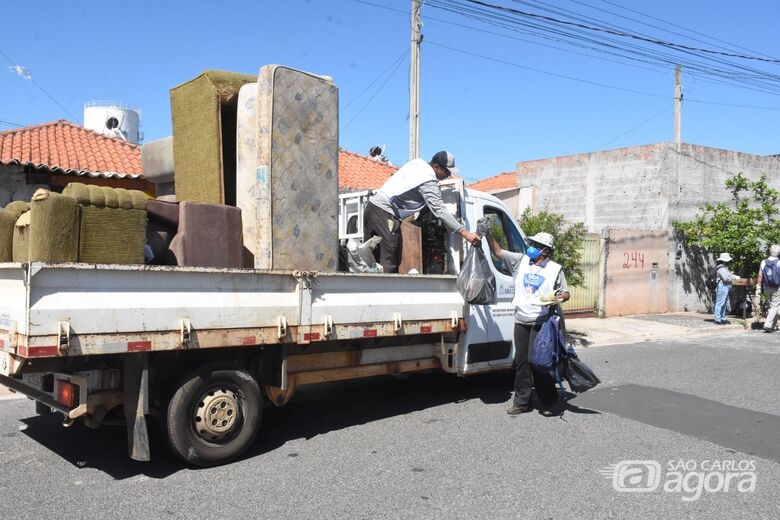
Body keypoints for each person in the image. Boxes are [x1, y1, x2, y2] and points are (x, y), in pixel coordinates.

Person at [485, 230, 571, 417]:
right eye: (532, 244)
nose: (532, 248)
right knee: (522, 362)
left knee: (537, 363)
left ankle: (549, 400)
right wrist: (487, 233)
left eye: (537, 246)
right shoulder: (520, 261)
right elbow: (498, 252)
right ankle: (522, 402)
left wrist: (556, 297)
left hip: (541, 322)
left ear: (546, 251)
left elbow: (566, 293)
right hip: (521, 320)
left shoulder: (554, 269)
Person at [363, 151, 481, 273]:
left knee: (372, 256)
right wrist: (465, 233)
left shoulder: (418, 164)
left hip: (372, 208)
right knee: (388, 258)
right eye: (447, 171)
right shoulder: (428, 178)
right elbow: (439, 210)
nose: (449, 175)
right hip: (384, 212)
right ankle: (386, 290)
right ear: (436, 167)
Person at [757, 245, 780, 332]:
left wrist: (759, 287)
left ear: (770, 252)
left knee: (772, 305)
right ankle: (768, 324)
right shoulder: (779, 262)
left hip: (766, 286)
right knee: (774, 305)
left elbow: (760, 275)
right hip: (777, 287)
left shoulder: (763, 262)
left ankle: (772, 326)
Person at [713, 252, 739, 324]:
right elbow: (726, 278)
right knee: (720, 303)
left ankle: (722, 317)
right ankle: (717, 319)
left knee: (724, 303)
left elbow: (728, 276)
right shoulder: (721, 268)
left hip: (725, 287)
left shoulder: (723, 268)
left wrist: (731, 275)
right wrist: (734, 277)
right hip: (722, 287)